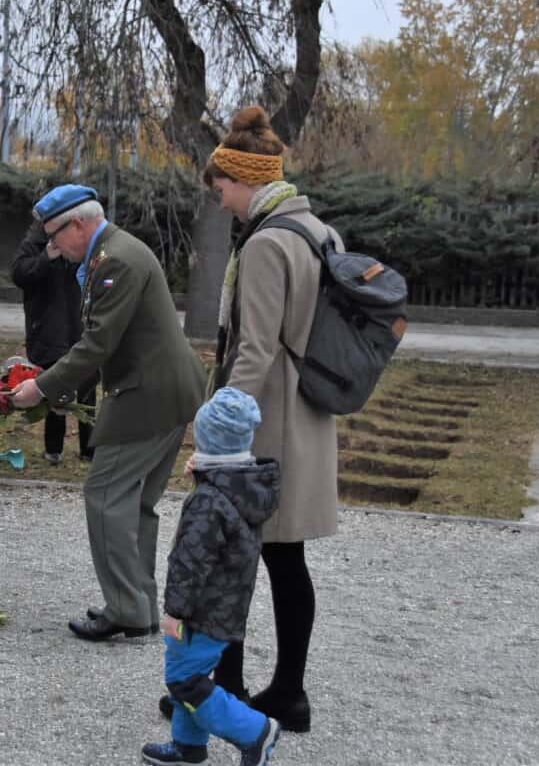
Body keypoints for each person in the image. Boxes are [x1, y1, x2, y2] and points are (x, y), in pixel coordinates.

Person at [159, 104, 342, 733]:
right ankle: (287, 692)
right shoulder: (319, 232)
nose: (220, 202)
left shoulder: (266, 244)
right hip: (306, 414)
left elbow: (256, 349)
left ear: (245, 180)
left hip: (264, 422)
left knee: (229, 557)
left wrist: (220, 434)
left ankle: (227, 687)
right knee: (285, 560)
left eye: (221, 189)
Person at [10, 184, 205, 641]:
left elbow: (98, 343)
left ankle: (127, 609)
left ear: (79, 224)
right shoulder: (111, 252)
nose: (53, 246)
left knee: (105, 495)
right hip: (166, 389)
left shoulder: (115, 259)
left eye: (55, 235)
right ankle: (140, 606)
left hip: (147, 393)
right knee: (135, 504)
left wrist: (42, 386)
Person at [140, 387, 281, 766]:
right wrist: (204, 473)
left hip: (199, 611)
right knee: (194, 673)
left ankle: (255, 731)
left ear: (207, 441)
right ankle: (188, 746)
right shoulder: (240, 485)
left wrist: (175, 611)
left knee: (185, 680)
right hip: (225, 606)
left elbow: (190, 562)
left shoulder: (208, 500)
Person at [10, 219, 95, 465]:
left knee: (87, 390)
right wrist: (46, 257)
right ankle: (53, 450)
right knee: (55, 389)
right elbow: (19, 275)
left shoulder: (80, 242)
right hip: (48, 331)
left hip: (79, 328)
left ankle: (90, 450)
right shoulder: (33, 245)